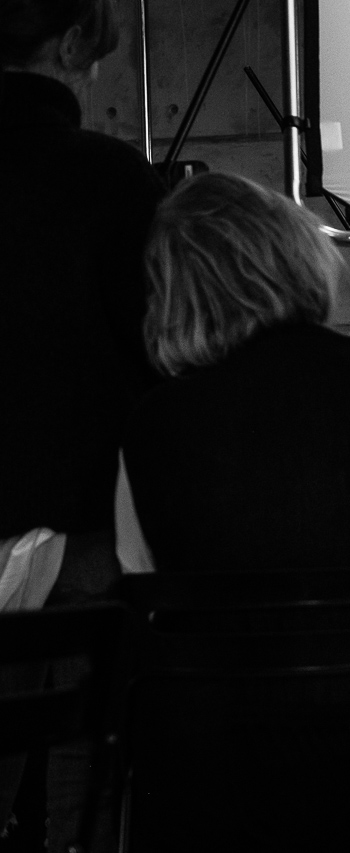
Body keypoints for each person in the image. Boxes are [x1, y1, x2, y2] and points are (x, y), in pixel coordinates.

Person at [112, 172, 350, 853]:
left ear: (174, 287)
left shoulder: (148, 427)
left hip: (207, 792)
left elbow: (149, 614)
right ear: (299, 258)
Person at [1, 0, 165, 847]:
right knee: (84, 793)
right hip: (82, 534)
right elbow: (156, 351)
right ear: (67, 45)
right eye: (95, 54)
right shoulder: (111, 179)